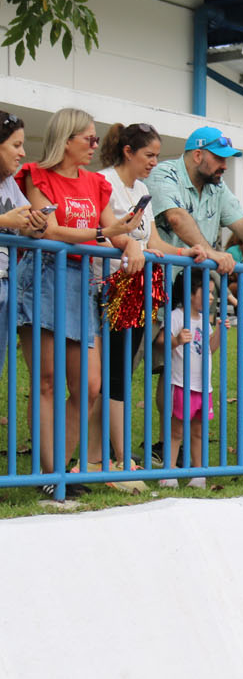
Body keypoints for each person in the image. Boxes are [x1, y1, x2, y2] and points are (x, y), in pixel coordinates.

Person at [15, 108, 145, 499]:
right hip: (45, 276)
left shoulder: (94, 183)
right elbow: (49, 228)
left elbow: (117, 232)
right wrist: (104, 233)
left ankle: (60, 471)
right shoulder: (38, 175)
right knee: (48, 382)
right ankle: (52, 476)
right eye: (87, 138)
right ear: (66, 139)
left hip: (83, 281)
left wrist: (133, 242)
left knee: (88, 385)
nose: (94, 144)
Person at [97, 122, 207, 475]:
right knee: (110, 375)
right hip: (108, 290)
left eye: (158, 156)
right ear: (128, 152)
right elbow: (108, 233)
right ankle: (119, 457)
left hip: (139, 292)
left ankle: (104, 456)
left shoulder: (142, 188)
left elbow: (153, 242)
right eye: (149, 155)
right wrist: (130, 244)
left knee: (122, 373)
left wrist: (184, 251)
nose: (154, 163)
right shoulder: (105, 183)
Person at [147, 127, 243, 278]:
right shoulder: (164, 173)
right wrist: (211, 252)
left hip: (196, 289)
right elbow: (177, 218)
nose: (225, 166)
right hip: (155, 285)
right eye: (219, 158)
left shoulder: (217, 186)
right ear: (198, 155)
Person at [158, 272, 221, 490]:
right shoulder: (176, 316)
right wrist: (176, 340)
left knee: (198, 431)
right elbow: (160, 342)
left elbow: (210, 350)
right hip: (182, 384)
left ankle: (198, 474)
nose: (211, 297)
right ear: (190, 293)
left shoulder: (205, 320)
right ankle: (170, 472)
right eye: (208, 292)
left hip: (204, 387)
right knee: (176, 431)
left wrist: (220, 332)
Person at [1, 110, 47, 395]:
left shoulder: (8, 182)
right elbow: (10, 220)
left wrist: (37, 225)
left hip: (5, 282)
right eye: (15, 145)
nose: (22, 152)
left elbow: (26, 221)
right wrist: (6, 221)